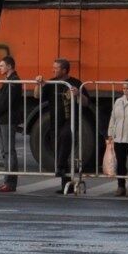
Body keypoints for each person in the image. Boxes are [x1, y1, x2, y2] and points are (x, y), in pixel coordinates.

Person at [36, 58, 85, 194]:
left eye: (56, 68)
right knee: (59, 149)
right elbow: (37, 96)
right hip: (55, 121)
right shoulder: (52, 83)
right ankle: (66, 184)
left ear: (64, 70)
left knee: (65, 136)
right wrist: (38, 84)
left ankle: (60, 167)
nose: (53, 70)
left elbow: (86, 102)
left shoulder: (76, 83)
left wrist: (78, 94)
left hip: (71, 120)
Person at [0, 57, 25, 193]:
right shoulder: (9, 80)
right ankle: (7, 181)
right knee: (5, 151)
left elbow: (5, 101)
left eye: (2, 65)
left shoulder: (14, 81)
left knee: (9, 151)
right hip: (4, 119)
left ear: (10, 66)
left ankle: (10, 183)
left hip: (8, 119)